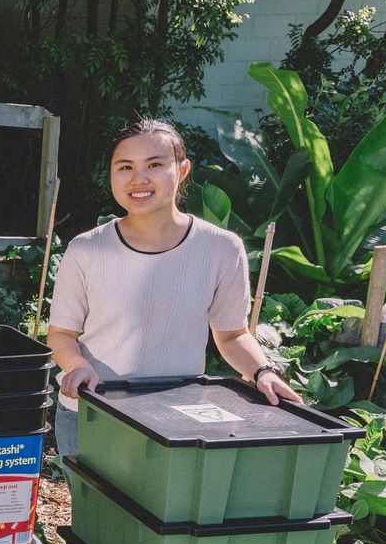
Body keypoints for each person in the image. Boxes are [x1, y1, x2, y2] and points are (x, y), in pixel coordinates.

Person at [47, 118, 301, 464]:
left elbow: (232, 336)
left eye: (154, 165)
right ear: (111, 174)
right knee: (97, 518)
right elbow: (61, 333)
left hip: (175, 421)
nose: (139, 179)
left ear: (182, 170)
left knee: (166, 519)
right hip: (92, 411)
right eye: (125, 167)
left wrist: (263, 372)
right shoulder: (86, 249)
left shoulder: (221, 248)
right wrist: (76, 365)